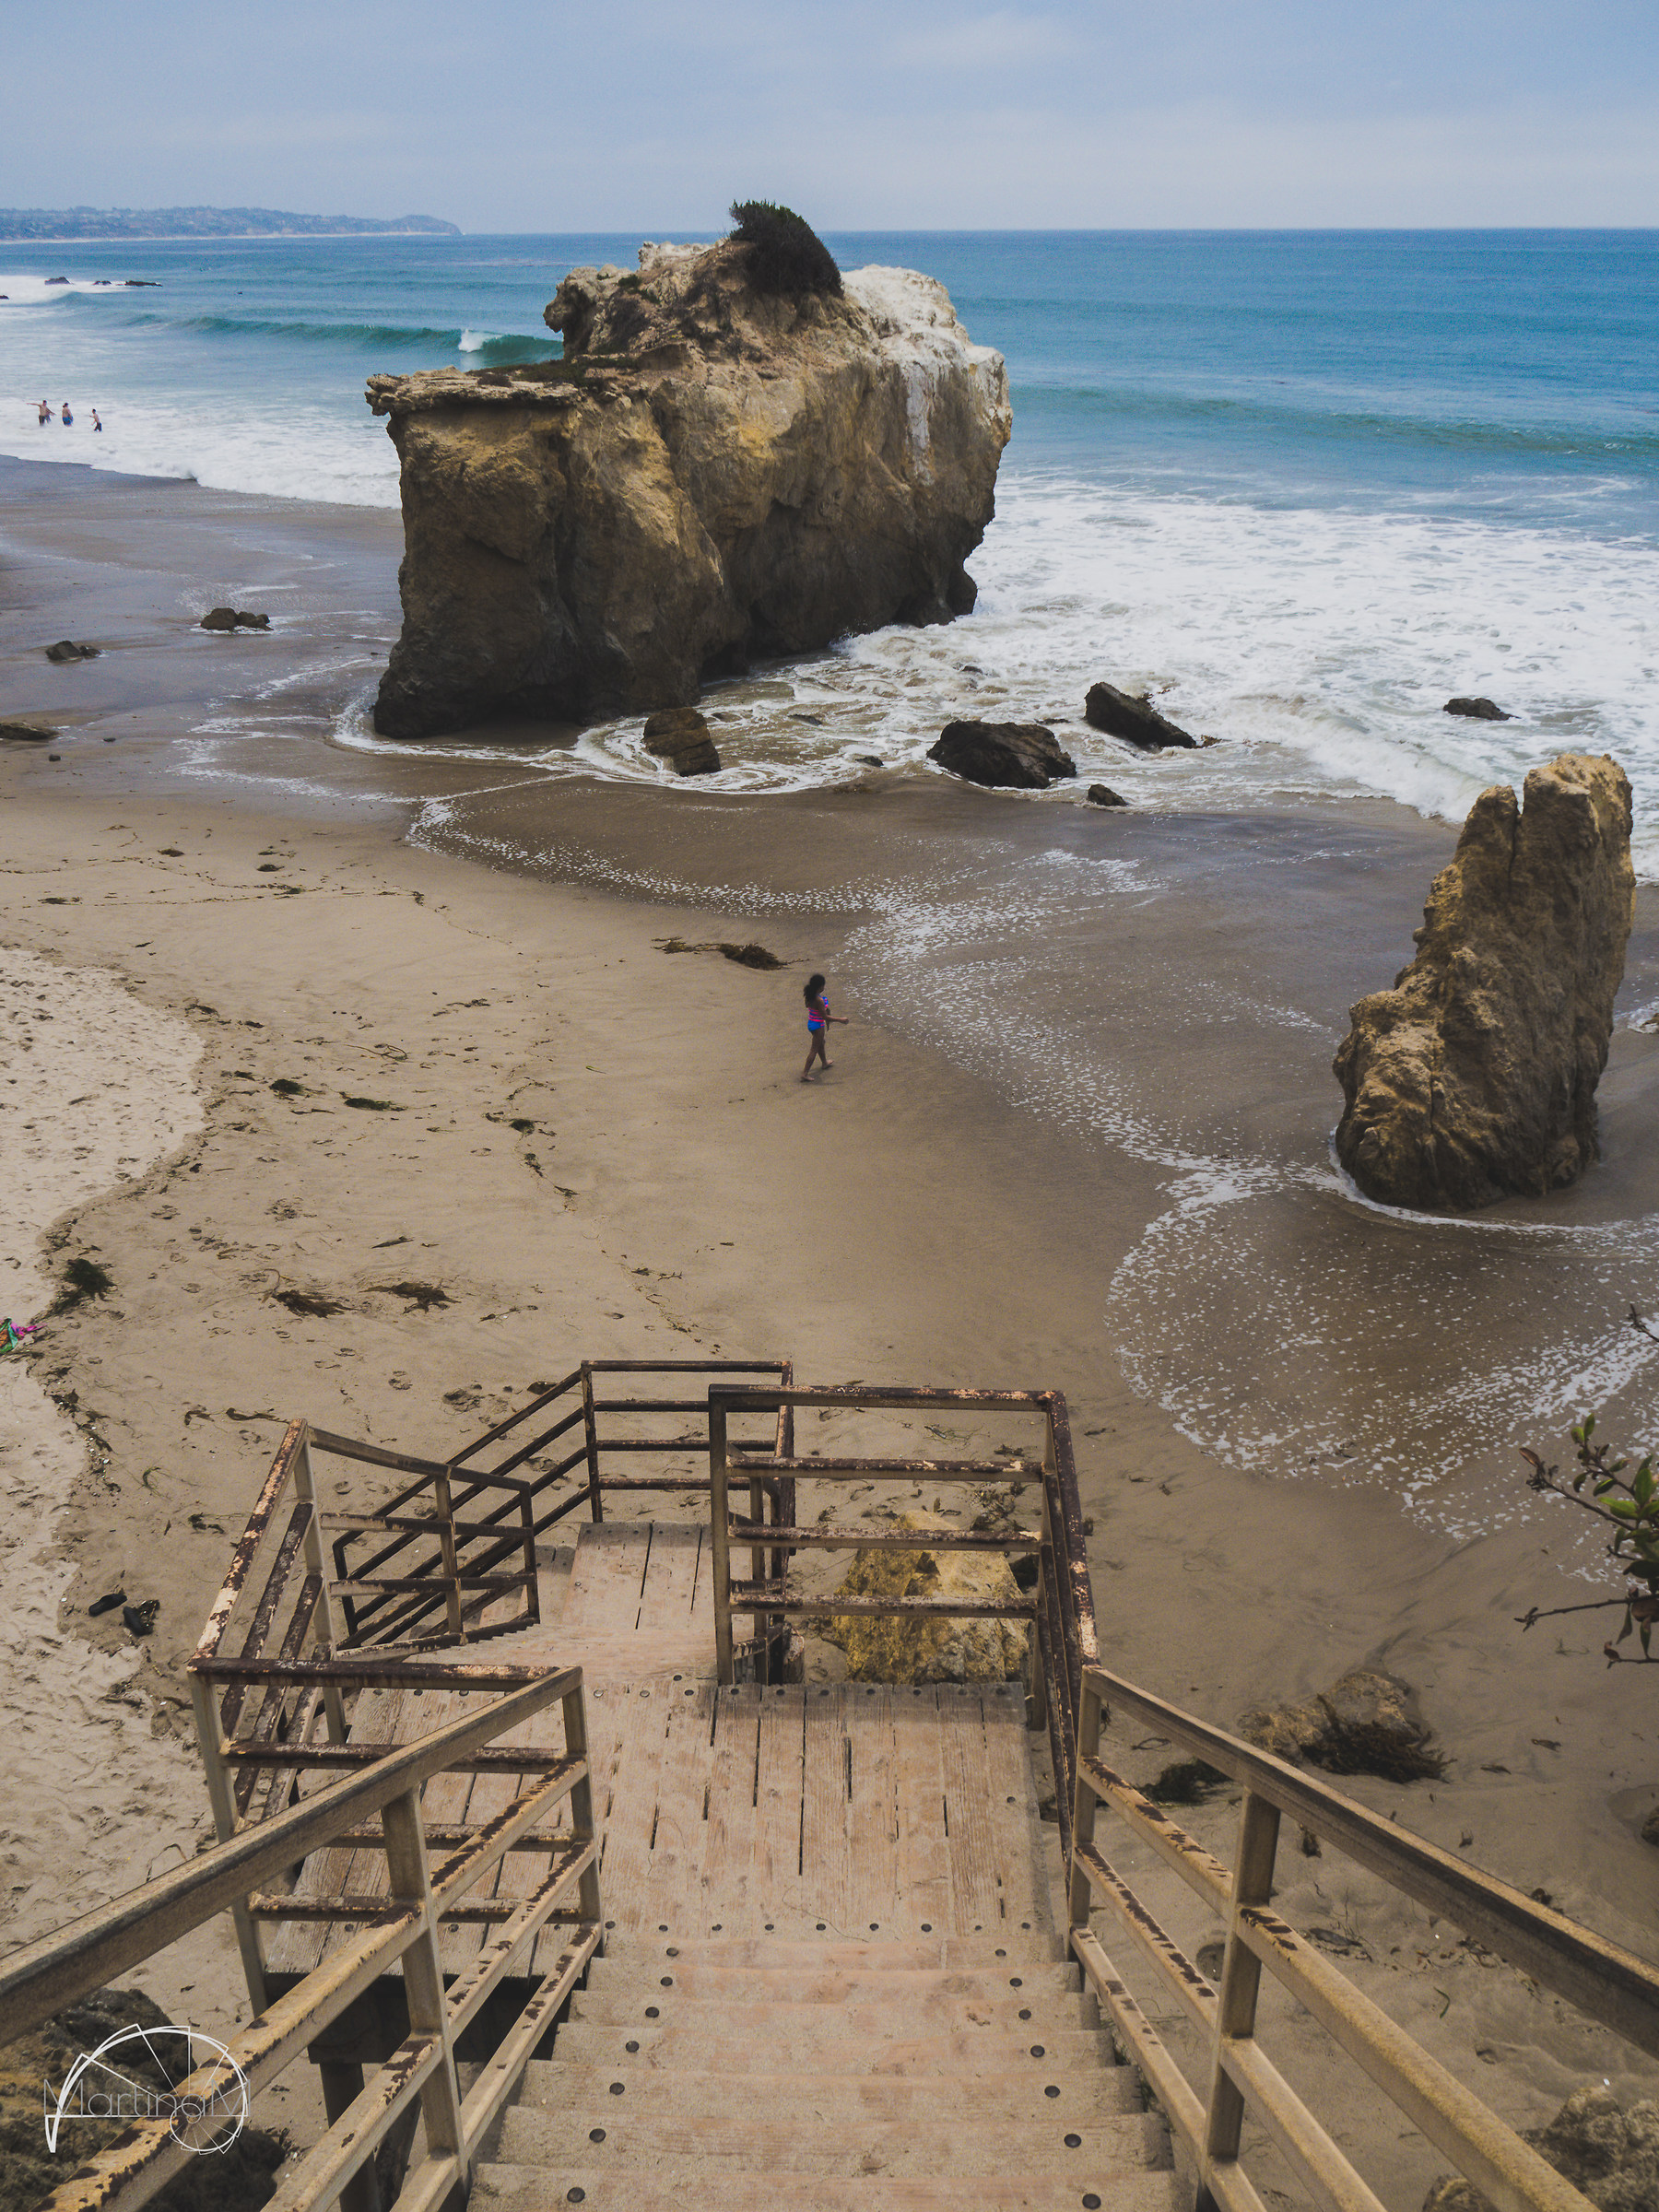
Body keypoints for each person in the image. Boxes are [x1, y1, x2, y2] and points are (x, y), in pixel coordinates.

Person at [800, 972, 849, 1083]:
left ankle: (824, 1063)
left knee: (821, 1043)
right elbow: (825, 1017)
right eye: (823, 985)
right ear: (820, 987)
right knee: (814, 1050)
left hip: (811, 1023)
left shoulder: (809, 995)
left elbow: (808, 1006)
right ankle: (805, 1073)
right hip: (818, 1026)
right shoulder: (819, 1000)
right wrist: (840, 1019)